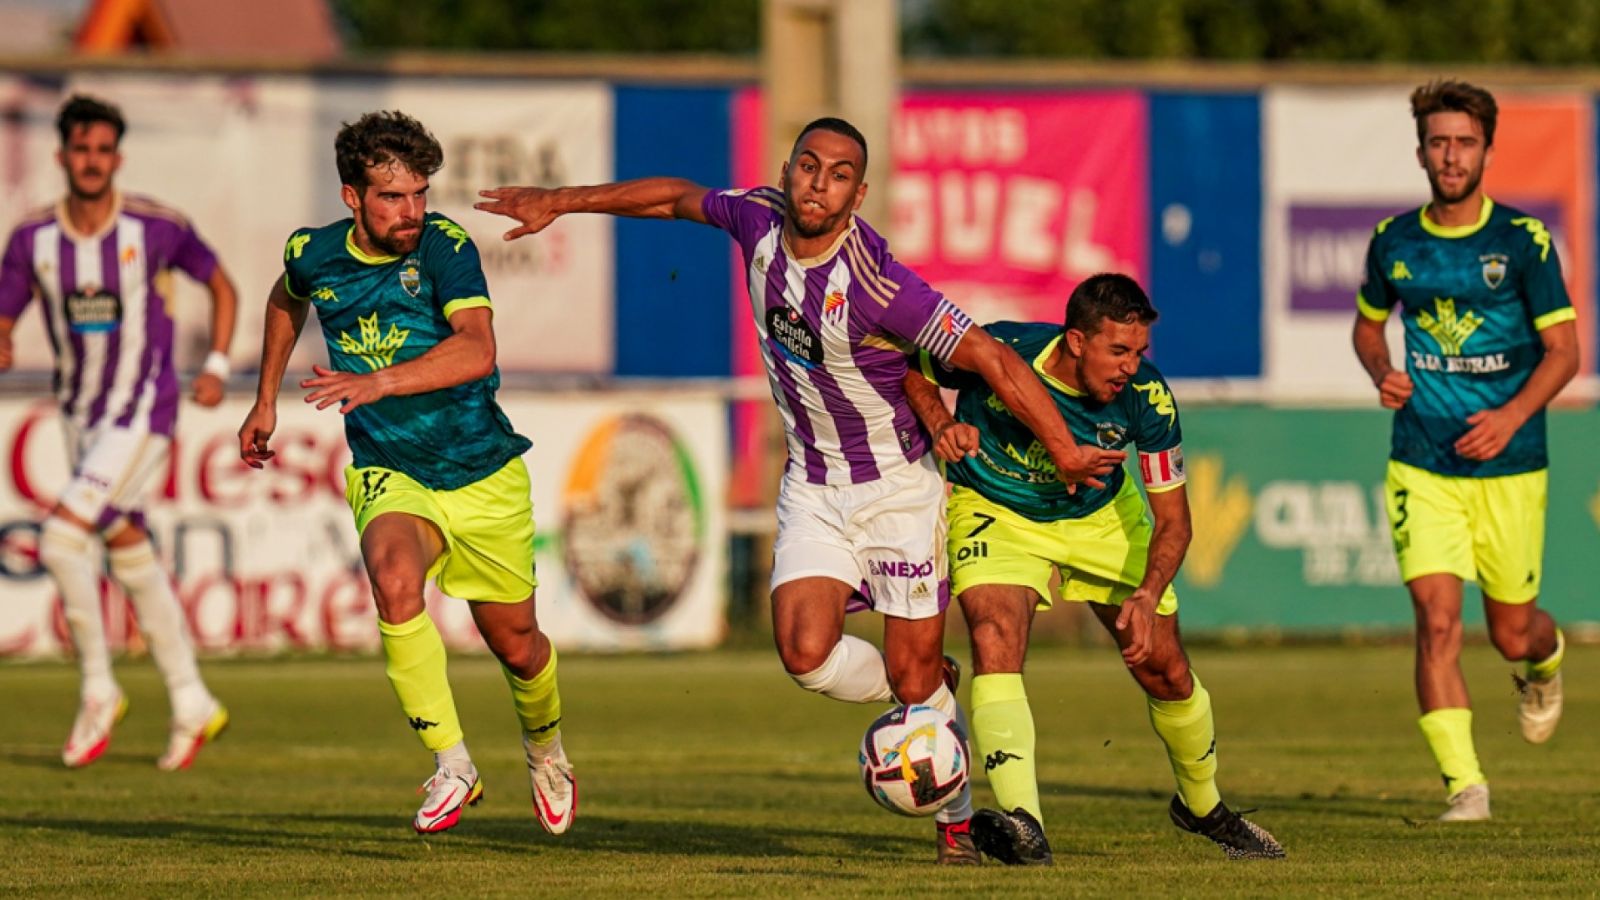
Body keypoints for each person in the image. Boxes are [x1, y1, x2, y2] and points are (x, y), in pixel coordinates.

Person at [477, 117, 1123, 863]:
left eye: (839, 175)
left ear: (859, 193)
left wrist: (1063, 448)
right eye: (809, 166)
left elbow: (990, 357)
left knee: (910, 677)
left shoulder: (879, 284)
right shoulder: (757, 220)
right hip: (813, 485)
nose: (819, 184)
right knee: (805, 654)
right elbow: (674, 199)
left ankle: (955, 816)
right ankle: (927, 689)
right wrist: (562, 200)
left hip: (896, 492)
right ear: (787, 170)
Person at [237, 111, 574, 836]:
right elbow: (286, 297)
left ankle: (546, 749)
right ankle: (453, 764)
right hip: (391, 469)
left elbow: (477, 350)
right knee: (393, 582)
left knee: (518, 645)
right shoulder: (312, 252)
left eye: (420, 193)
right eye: (392, 197)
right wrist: (264, 399)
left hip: (480, 470)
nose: (412, 211)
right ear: (351, 198)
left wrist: (379, 381)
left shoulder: (445, 247)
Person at [905, 273, 1287, 863]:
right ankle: (1025, 824)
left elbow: (1175, 522)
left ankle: (1203, 807)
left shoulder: (1148, 398)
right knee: (994, 634)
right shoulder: (1001, 349)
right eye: (1119, 351)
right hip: (996, 509)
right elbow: (914, 366)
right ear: (1077, 341)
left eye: (1139, 351)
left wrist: (1148, 592)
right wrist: (939, 423)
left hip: (1101, 515)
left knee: (1166, 671)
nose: (1131, 366)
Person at [1352, 80, 1574, 822]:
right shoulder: (1394, 241)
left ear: (1487, 151)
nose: (1452, 156)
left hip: (1511, 465)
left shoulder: (1522, 241)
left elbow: (1565, 352)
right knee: (1437, 622)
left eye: (1465, 143)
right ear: (1421, 152)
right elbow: (1367, 326)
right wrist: (1381, 371)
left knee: (1511, 634)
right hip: (1421, 460)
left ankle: (1545, 659)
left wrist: (1510, 418)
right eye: (1439, 142)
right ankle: (1465, 787)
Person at [0, 94, 235, 771]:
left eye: (103, 150)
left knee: (58, 540)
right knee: (127, 548)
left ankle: (98, 689)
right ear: (62, 156)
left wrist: (216, 365)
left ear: (117, 158)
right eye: (82, 149)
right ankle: (191, 700)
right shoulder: (33, 240)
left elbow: (221, 285)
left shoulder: (153, 227)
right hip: (79, 414)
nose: (92, 161)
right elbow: (5, 313)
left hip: (142, 411)